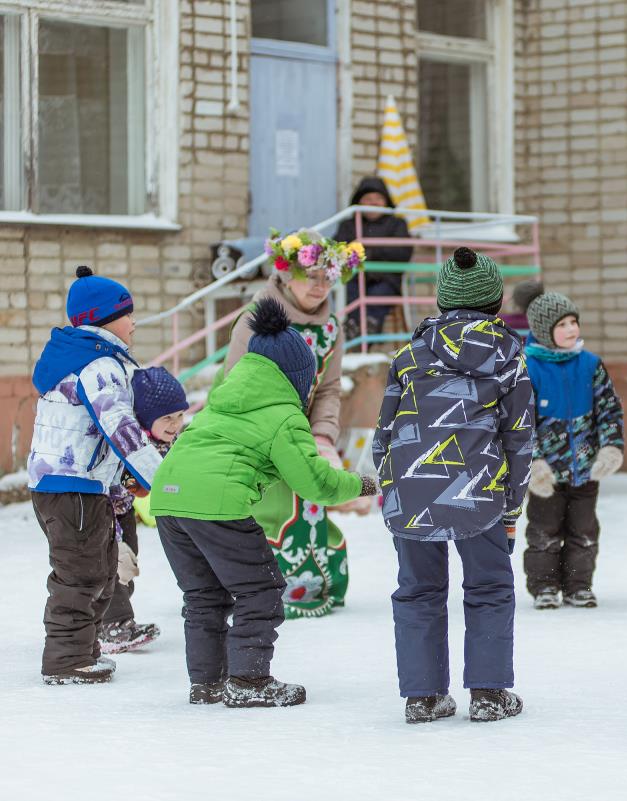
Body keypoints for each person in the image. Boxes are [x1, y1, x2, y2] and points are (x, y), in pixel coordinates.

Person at [151, 299, 376, 708]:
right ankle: (249, 681)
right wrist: (363, 484)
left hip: (168, 499)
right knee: (261, 589)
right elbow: (317, 484)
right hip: (218, 503)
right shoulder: (283, 415)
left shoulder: (220, 402)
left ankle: (207, 684)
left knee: (203, 595)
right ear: (298, 378)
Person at [374, 247, 533, 724]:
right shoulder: (507, 354)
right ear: (495, 301)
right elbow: (519, 434)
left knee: (418, 589)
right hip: (477, 492)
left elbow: (385, 429)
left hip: (411, 492)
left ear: (443, 300)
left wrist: (392, 486)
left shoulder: (410, 354)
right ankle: (488, 693)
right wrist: (512, 505)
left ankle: (422, 696)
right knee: (488, 587)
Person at [27, 266, 163, 685]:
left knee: (101, 568)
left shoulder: (81, 356)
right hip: (73, 488)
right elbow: (122, 430)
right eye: (128, 314)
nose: (134, 322)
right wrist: (165, 480)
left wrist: (125, 476)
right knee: (80, 574)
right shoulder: (98, 363)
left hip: (71, 485)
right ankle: (66, 660)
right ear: (104, 320)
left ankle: (84, 651)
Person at [224, 233, 361, 619]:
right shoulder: (256, 320)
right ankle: (257, 591)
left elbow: (329, 388)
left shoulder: (331, 326)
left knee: (311, 501)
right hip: (259, 432)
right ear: (285, 273)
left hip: (303, 435)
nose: (320, 286)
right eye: (311, 276)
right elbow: (238, 381)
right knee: (270, 509)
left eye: (327, 277)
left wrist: (322, 436)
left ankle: (313, 583)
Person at [522, 287, 624, 609]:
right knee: (544, 532)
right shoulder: (528, 368)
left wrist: (610, 447)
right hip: (546, 473)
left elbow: (609, 409)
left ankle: (579, 585)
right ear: (543, 330)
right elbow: (520, 421)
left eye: (573, 322)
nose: (572, 329)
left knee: (584, 531)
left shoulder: (590, 365)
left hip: (585, 468)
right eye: (562, 324)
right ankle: (544, 586)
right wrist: (533, 462)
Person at [99, 366, 189, 655]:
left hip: (124, 509)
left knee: (129, 564)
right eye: (167, 418)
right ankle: (115, 625)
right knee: (115, 563)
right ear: (147, 419)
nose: (175, 424)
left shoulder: (169, 439)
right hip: (103, 507)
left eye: (179, 415)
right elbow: (124, 481)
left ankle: (110, 620)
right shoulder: (133, 443)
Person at [333, 176, 414, 342]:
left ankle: (366, 331)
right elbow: (338, 249)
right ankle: (356, 329)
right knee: (351, 290)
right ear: (359, 202)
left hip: (386, 278)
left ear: (386, 201)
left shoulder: (397, 224)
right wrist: (377, 250)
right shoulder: (349, 224)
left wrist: (366, 250)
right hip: (355, 277)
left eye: (378, 198)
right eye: (368, 199)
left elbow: (403, 253)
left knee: (379, 294)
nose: (373, 203)